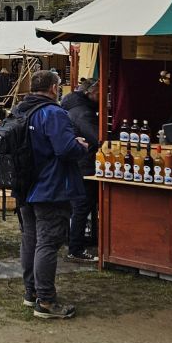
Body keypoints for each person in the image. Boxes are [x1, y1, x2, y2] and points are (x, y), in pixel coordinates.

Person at [16, 70, 90, 319]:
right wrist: (81, 146)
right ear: (53, 88)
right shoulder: (53, 113)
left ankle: (31, 293)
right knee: (47, 242)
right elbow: (65, 149)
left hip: (25, 185)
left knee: (31, 239)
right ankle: (46, 301)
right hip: (50, 187)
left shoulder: (20, 109)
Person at [61, 77, 101, 262]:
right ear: (90, 93)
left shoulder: (74, 106)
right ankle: (75, 248)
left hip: (78, 163)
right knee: (82, 206)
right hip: (85, 164)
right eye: (99, 93)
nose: (103, 97)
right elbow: (96, 137)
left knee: (79, 206)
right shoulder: (83, 112)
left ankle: (76, 243)